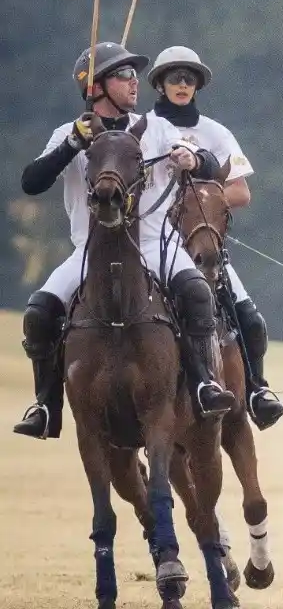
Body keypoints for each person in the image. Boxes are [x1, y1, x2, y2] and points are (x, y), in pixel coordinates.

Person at [13, 42, 236, 440]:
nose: (135, 82)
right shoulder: (69, 133)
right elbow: (32, 182)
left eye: (135, 75)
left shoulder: (157, 128)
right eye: (123, 75)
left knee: (198, 294)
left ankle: (204, 383)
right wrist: (72, 146)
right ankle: (47, 405)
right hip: (90, 251)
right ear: (95, 86)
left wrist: (193, 161)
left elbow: (214, 167)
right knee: (38, 313)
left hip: (155, 244)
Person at [145, 46, 283, 430]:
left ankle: (257, 389)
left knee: (250, 320)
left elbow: (241, 192)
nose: (183, 84)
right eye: (175, 77)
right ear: (159, 83)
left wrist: (202, 199)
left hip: (202, 245)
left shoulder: (216, 133)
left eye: (190, 78)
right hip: (152, 242)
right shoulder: (142, 129)